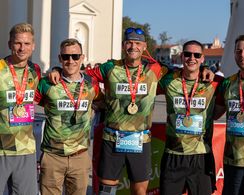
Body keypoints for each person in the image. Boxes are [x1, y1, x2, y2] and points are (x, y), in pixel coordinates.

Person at [48, 27, 214, 195]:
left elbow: (186, 71)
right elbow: (79, 74)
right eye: (129, 43)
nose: (133, 47)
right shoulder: (110, 67)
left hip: (140, 140)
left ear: (144, 47)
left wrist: (205, 67)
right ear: (123, 45)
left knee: (139, 191)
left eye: (137, 43)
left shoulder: (156, 69)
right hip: (112, 138)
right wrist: (57, 70)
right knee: (107, 190)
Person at [34, 38, 100, 195]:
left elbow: (103, 102)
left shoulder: (92, 85)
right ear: (60, 59)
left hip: (80, 156)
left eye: (75, 56)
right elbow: (27, 103)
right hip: (52, 156)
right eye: (65, 57)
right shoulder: (47, 84)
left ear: (82, 58)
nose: (71, 61)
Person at [159, 40, 221, 195]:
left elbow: (238, 85)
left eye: (196, 55)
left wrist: (208, 70)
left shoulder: (214, 83)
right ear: (181, 56)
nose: (191, 58)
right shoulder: (168, 80)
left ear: (202, 59)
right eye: (187, 54)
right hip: (173, 155)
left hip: (201, 156)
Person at [0, 23, 41, 194]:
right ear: (10, 44)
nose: (22, 48)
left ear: (33, 46)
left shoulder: (35, 70)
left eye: (26, 44)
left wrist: (56, 69)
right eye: (17, 43)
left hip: (26, 148)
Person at [215, 34, 244, 195]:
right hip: (234, 160)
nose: (243, 55)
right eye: (238, 51)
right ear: (234, 54)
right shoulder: (227, 83)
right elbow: (214, 114)